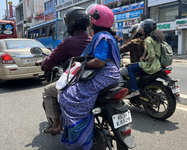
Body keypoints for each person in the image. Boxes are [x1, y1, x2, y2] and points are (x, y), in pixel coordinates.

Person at [58, 4, 120, 150]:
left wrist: (82, 64)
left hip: (104, 75)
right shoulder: (110, 36)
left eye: (90, 19)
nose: (89, 23)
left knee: (66, 95)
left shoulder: (101, 37)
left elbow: (99, 61)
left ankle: (80, 135)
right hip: (111, 74)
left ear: (96, 21)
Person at [35, 7, 92, 134]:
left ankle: (56, 124)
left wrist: (42, 63)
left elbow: (50, 61)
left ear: (69, 25)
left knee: (47, 91)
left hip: (76, 82)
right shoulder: (94, 40)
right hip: (94, 81)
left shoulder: (67, 43)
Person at [125, 19, 165, 99]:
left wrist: (143, 59)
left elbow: (151, 55)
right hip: (158, 63)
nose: (141, 29)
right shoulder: (157, 38)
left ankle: (134, 90)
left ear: (147, 29)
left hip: (151, 64)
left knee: (130, 69)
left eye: (143, 28)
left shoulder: (148, 39)